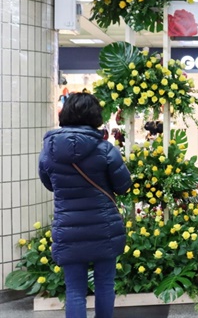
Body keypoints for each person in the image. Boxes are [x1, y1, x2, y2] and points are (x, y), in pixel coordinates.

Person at [38, 93, 132, 318]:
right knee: (105, 285)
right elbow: (123, 185)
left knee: (75, 290)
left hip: (68, 227)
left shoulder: (49, 151)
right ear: (95, 115)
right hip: (104, 228)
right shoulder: (106, 150)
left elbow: (50, 184)